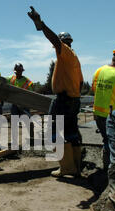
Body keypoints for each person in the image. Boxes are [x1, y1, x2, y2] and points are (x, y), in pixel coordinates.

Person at [28, 6, 84, 177]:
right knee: (72, 133)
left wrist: (41, 24)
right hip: (73, 99)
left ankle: (67, 168)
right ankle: (75, 166)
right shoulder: (75, 58)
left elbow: (55, 41)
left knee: (54, 131)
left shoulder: (65, 52)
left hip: (64, 100)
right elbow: (81, 83)